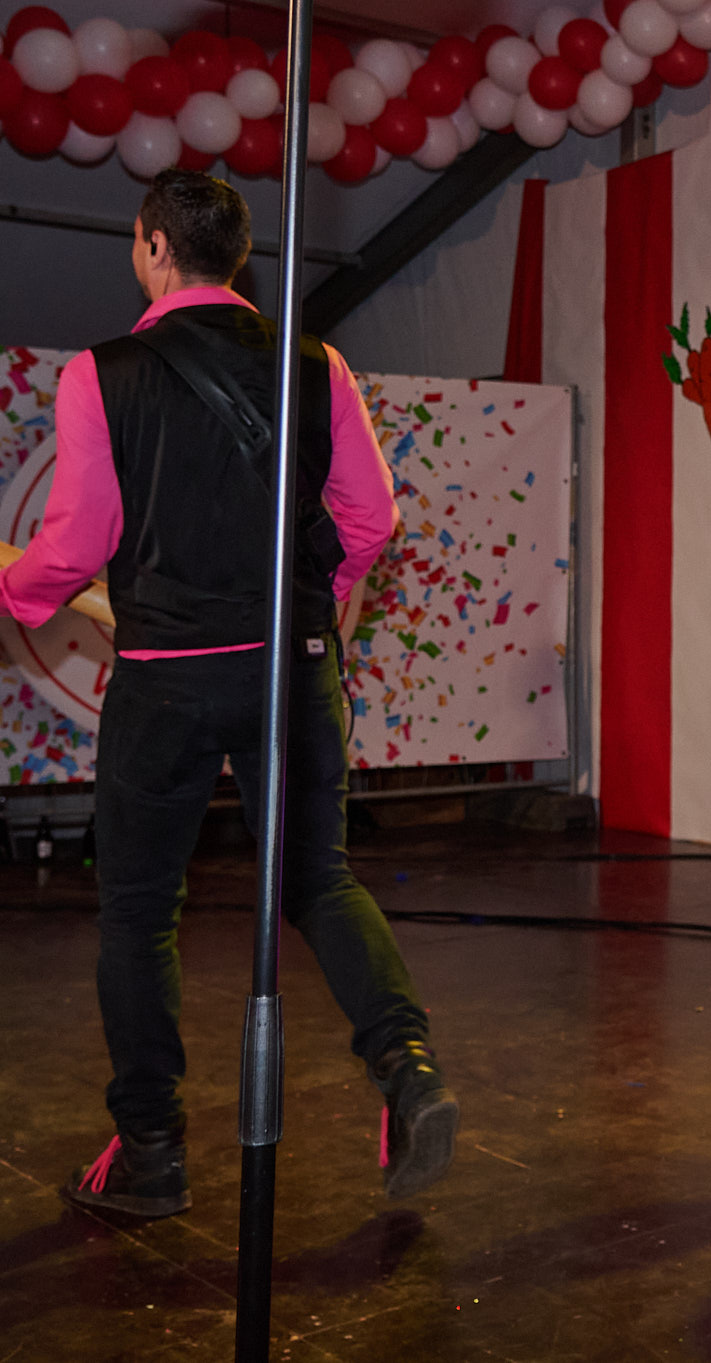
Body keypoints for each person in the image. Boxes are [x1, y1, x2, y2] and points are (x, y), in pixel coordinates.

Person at [0, 170, 457, 1218]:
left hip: (166, 678)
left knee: (137, 913)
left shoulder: (102, 374)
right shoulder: (316, 363)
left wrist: (17, 590)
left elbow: (77, 542)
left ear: (156, 247)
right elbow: (372, 521)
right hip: (290, 666)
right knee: (320, 879)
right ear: (236, 256)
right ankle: (410, 1068)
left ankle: (153, 1150)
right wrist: (316, 604)